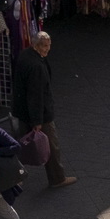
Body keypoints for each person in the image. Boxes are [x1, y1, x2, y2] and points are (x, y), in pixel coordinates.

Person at [11, 31, 76, 189]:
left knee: (19, 144)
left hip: (21, 111)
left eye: (49, 45)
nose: (48, 49)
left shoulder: (25, 55)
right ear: (36, 46)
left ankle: (13, 176)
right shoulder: (37, 67)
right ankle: (57, 178)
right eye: (44, 46)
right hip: (38, 114)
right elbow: (36, 96)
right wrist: (37, 121)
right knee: (52, 146)